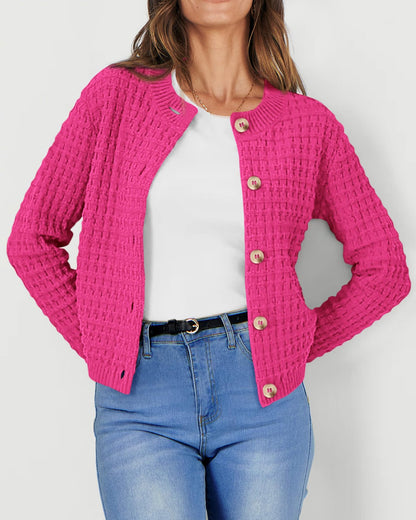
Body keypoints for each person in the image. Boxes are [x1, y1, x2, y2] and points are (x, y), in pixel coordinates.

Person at [6, 1, 411, 519]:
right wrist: (104, 340)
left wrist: (288, 341)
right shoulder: (114, 97)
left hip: (263, 400)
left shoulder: (307, 125)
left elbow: (385, 270)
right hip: (140, 401)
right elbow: (32, 239)